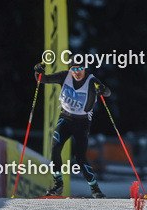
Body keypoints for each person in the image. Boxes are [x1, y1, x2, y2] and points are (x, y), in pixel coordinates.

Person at [34, 60, 112, 198]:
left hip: (82, 123)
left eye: (80, 68)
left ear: (85, 68)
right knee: (55, 148)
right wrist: (38, 71)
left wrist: (102, 89)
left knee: (80, 157)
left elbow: (107, 93)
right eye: (74, 68)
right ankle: (58, 185)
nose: (77, 72)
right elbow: (42, 79)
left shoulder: (91, 80)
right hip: (65, 118)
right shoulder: (65, 76)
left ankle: (95, 189)